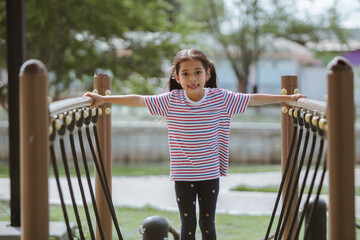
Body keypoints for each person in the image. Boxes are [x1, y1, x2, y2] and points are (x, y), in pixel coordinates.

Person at [84, 49, 306, 240]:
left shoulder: (220, 98)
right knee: (188, 228)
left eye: (198, 72)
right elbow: (139, 100)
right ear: (177, 77)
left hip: (209, 174)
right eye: (186, 73)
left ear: (207, 74)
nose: (193, 78)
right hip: (183, 176)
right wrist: (104, 99)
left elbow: (253, 98)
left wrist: (284, 98)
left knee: (208, 226)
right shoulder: (171, 100)